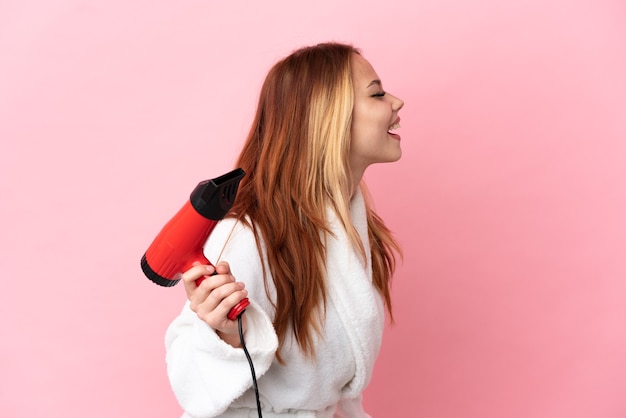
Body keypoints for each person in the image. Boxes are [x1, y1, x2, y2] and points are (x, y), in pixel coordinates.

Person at [165, 42, 405, 417]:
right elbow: (191, 381)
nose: (397, 102)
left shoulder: (350, 228)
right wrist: (224, 335)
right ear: (326, 117)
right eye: (376, 93)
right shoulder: (251, 237)